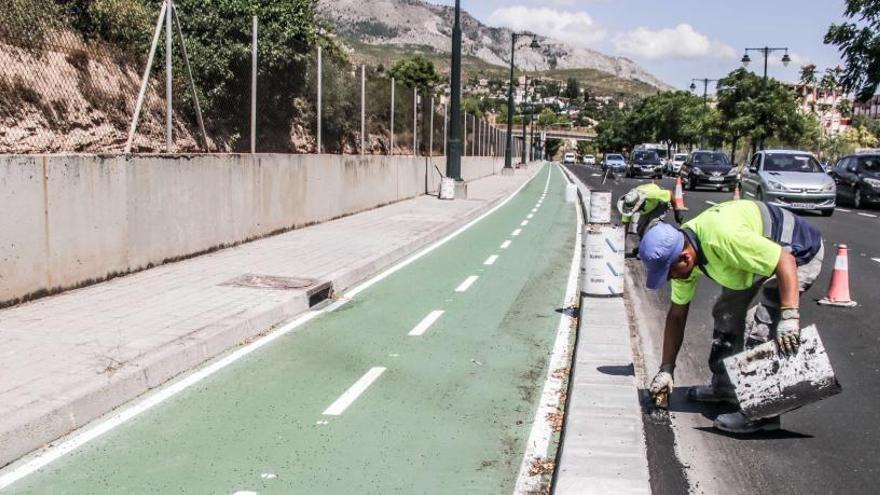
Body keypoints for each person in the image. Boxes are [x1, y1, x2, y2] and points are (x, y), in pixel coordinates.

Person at [639, 199, 824, 434]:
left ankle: (761, 412)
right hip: (753, 259)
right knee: (726, 312)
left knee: (761, 326)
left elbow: (783, 260)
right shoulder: (686, 252)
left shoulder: (722, 239)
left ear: (685, 258)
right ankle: (725, 387)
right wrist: (666, 369)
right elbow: (676, 315)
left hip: (795, 252)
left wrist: (789, 316)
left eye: (669, 274)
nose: (670, 280)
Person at [617, 183, 685, 239]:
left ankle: (653, 247)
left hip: (659, 203)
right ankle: (645, 245)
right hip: (648, 207)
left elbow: (670, 194)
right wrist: (622, 243)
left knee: (651, 227)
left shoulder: (651, 194)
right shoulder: (627, 204)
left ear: (639, 204)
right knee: (640, 229)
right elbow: (625, 225)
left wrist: (677, 212)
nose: (633, 211)